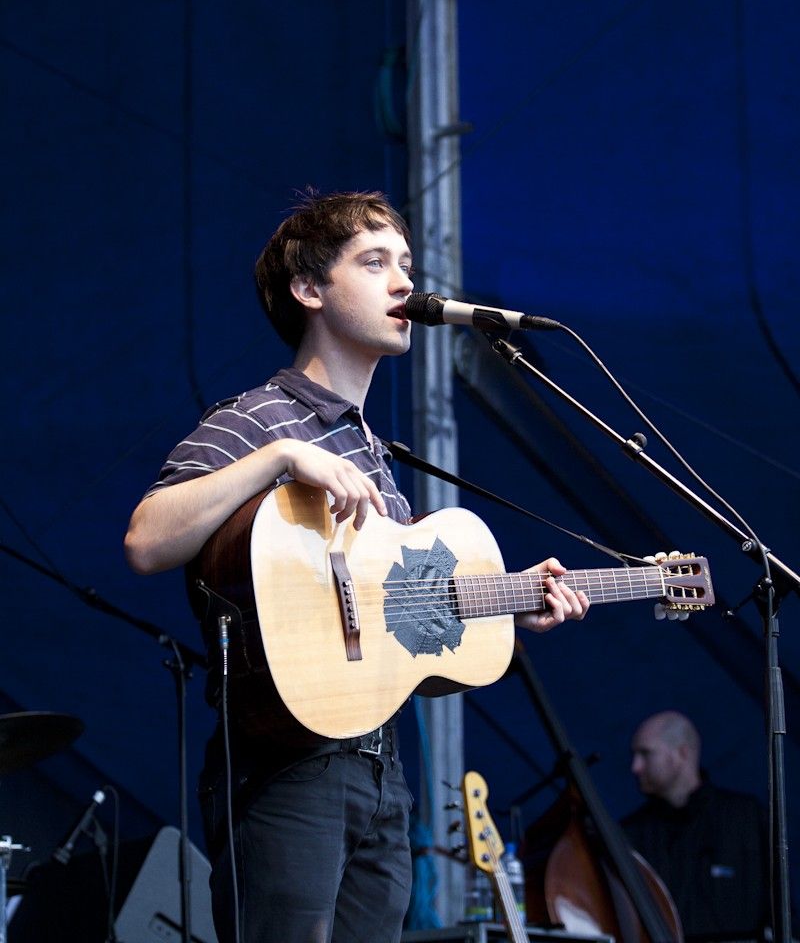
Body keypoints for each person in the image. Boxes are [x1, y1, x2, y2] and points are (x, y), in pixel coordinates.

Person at [124, 189, 589, 943]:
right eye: (375, 263)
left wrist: (511, 601)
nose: (404, 283)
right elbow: (146, 539)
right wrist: (279, 457)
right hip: (286, 765)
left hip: (379, 772)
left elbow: (395, 623)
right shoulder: (260, 418)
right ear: (310, 289)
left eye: (407, 265)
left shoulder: (374, 452)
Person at [622, 710, 770, 941]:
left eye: (645, 753)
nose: (636, 767)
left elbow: (780, 906)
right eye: (634, 755)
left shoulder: (745, 817)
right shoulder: (630, 833)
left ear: (681, 753)